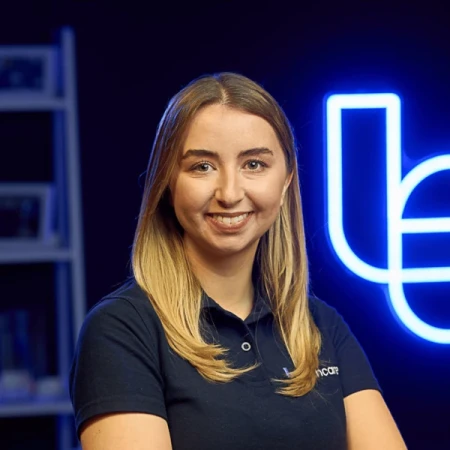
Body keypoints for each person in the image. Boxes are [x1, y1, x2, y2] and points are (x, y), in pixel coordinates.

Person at [69, 72, 407, 450]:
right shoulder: (122, 332)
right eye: (202, 166)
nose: (229, 193)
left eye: (254, 164)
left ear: (286, 181)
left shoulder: (321, 327)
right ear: (168, 183)